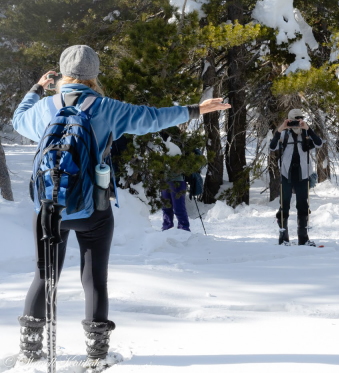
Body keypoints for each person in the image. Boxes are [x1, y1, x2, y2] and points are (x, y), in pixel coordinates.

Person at [11, 45, 230, 366]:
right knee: (94, 279)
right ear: (94, 76)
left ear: (63, 73)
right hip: (93, 207)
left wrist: (36, 88)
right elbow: (153, 118)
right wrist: (196, 110)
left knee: (44, 278)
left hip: (48, 208)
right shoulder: (107, 107)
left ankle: (29, 353)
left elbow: (17, 120)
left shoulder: (44, 109)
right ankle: (96, 355)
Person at [269, 108, 323, 246]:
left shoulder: (305, 133)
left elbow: (319, 143)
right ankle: (283, 237)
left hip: (302, 174)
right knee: (284, 205)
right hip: (286, 174)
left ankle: (303, 238)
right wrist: (281, 128)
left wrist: (308, 129)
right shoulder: (284, 134)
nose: (296, 123)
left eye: (299, 119)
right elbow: (272, 146)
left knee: (303, 205)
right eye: (294, 120)